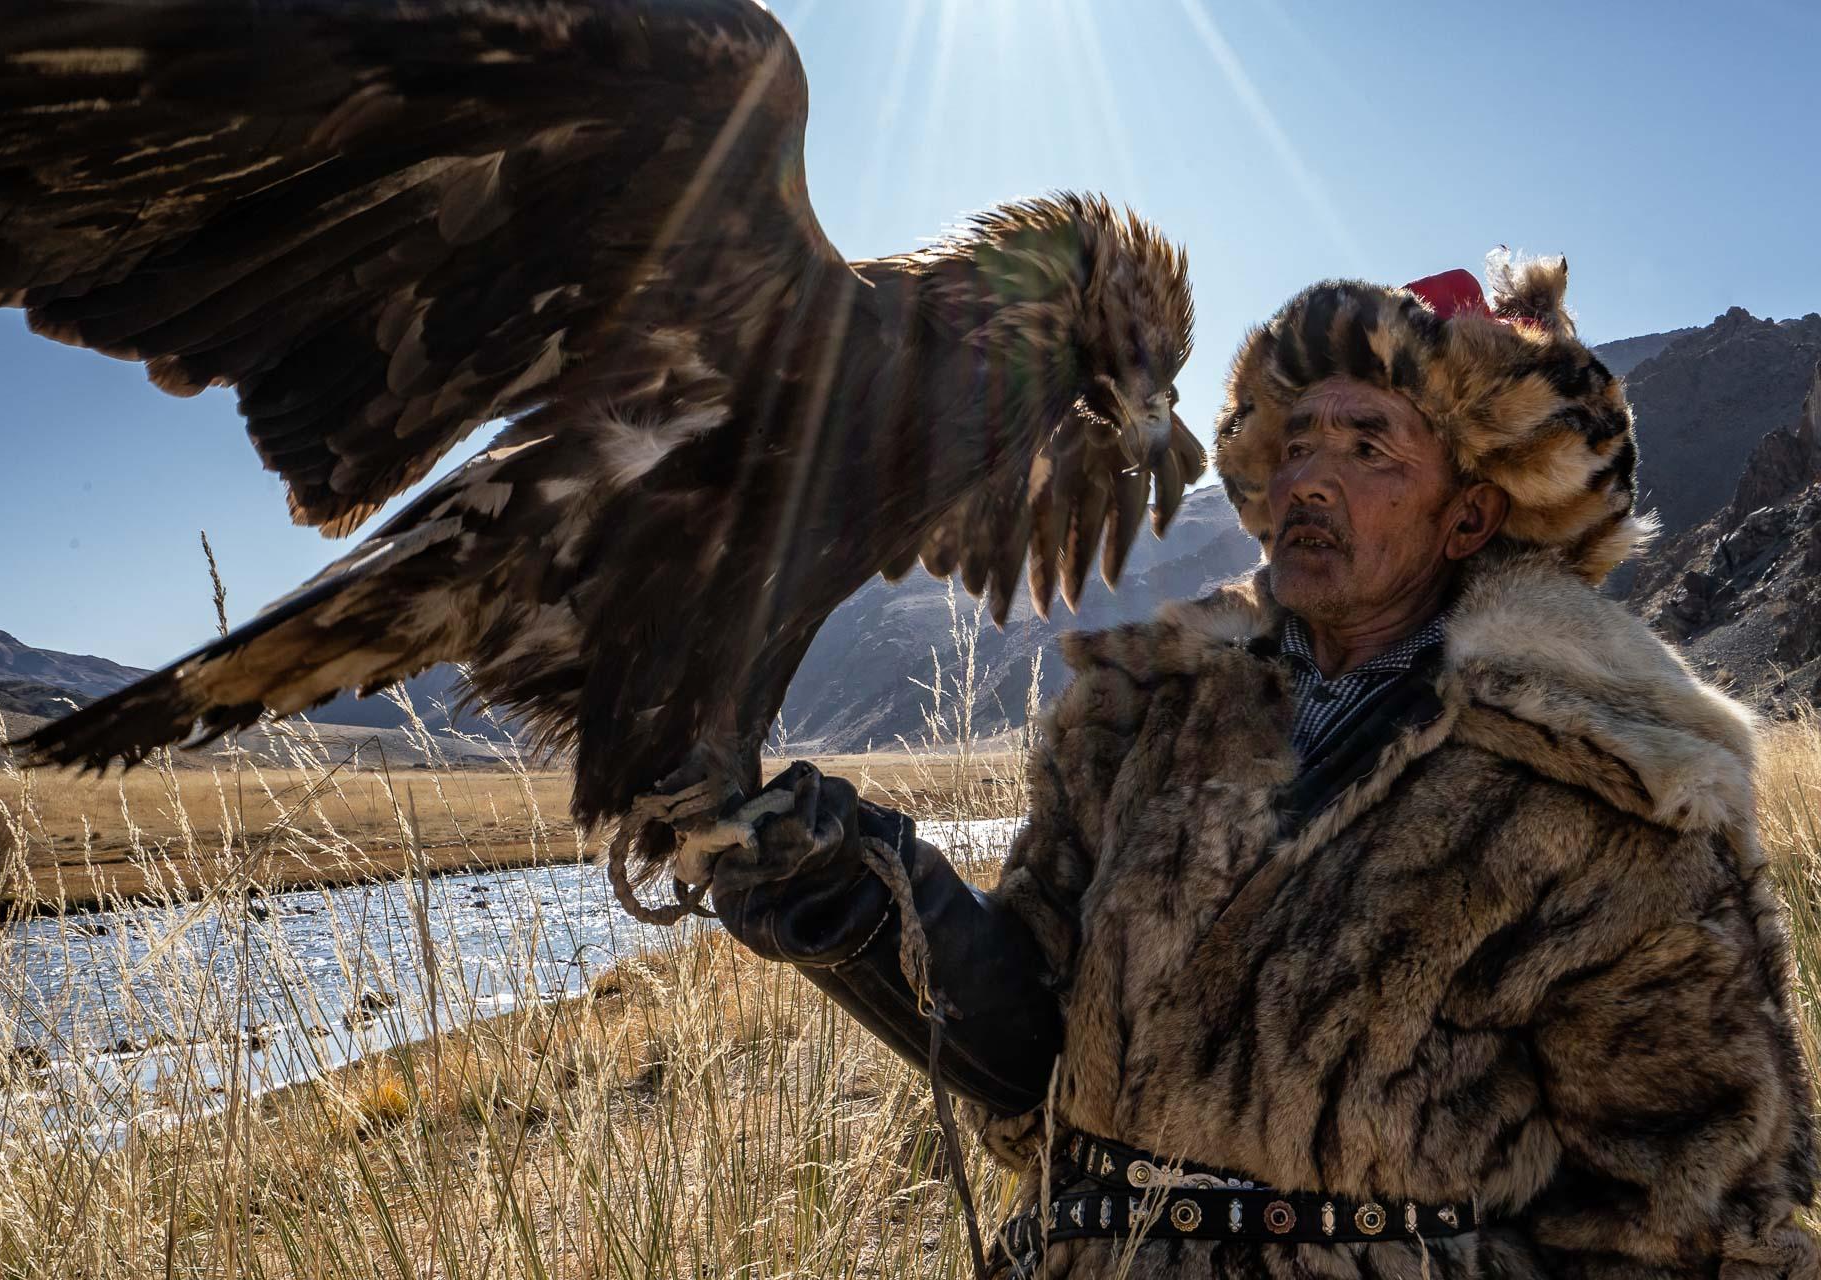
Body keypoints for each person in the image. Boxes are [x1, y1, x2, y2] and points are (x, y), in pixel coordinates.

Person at [709, 259, 1820, 1278]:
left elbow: (1693, 1215)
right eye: (1296, 443)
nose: (1309, 479)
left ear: (1472, 514)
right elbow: (1031, 1048)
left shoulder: (1600, 790)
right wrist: (858, 897)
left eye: (1369, 446)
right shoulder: (1143, 718)